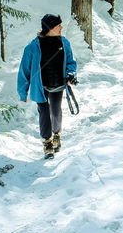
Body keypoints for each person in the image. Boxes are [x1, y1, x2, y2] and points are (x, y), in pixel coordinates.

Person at [17, 14, 78, 159]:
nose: (61, 28)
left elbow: (71, 61)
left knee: (56, 111)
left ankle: (57, 134)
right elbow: (24, 70)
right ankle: (47, 142)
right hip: (40, 86)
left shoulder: (64, 42)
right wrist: (23, 92)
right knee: (44, 113)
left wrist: (71, 74)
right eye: (58, 26)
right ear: (50, 27)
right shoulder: (33, 47)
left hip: (58, 84)